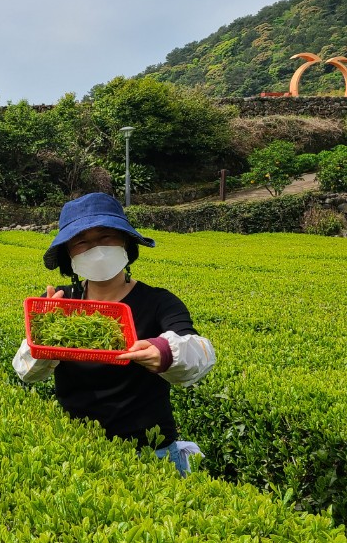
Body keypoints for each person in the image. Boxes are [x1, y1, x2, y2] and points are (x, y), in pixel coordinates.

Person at [13, 193, 216, 474]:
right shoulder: (61, 303)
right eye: (82, 242)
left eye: (106, 237)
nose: (95, 249)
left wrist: (165, 352)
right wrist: (45, 333)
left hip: (152, 451)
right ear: (69, 256)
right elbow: (27, 372)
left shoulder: (158, 302)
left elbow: (200, 352)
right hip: (80, 450)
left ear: (125, 243)